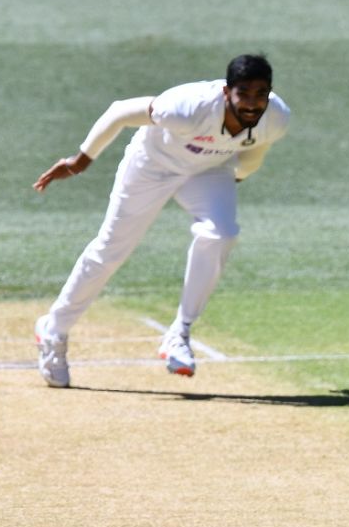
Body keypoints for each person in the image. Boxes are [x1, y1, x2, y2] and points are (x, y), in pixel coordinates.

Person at [31, 54, 291, 387]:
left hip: (209, 171)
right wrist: (81, 160)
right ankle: (53, 330)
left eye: (261, 94)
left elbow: (254, 151)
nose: (253, 104)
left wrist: (231, 183)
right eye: (244, 94)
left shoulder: (276, 117)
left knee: (222, 234)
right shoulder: (188, 106)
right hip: (151, 166)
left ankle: (179, 334)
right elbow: (120, 111)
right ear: (227, 92)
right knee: (111, 250)